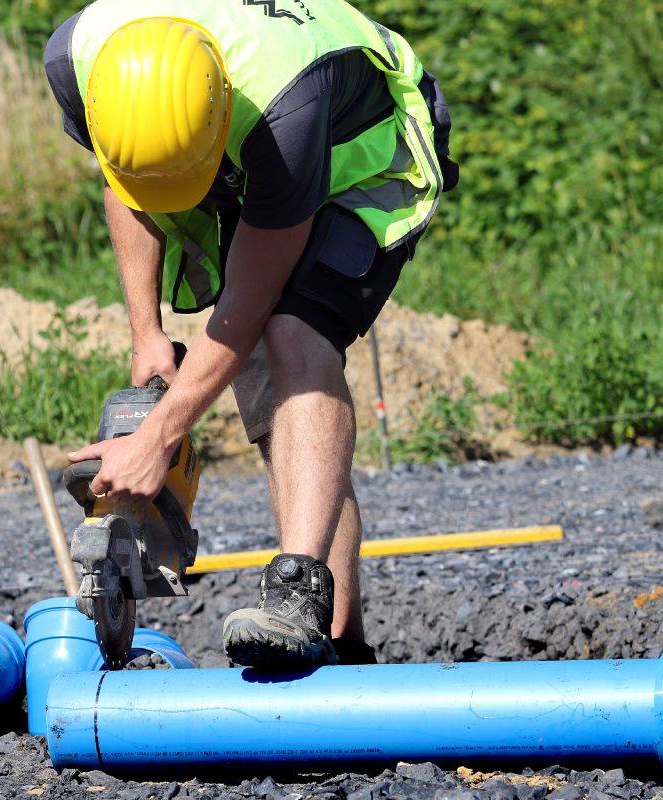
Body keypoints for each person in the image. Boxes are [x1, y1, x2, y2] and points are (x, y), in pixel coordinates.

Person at [44, 0, 456, 668]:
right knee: (275, 413)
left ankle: (298, 593)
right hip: (247, 162)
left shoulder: (286, 107)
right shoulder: (80, 60)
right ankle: (343, 647)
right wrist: (147, 333)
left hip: (367, 152)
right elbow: (128, 178)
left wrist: (157, 438)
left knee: (295, 333)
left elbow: (247, 303)